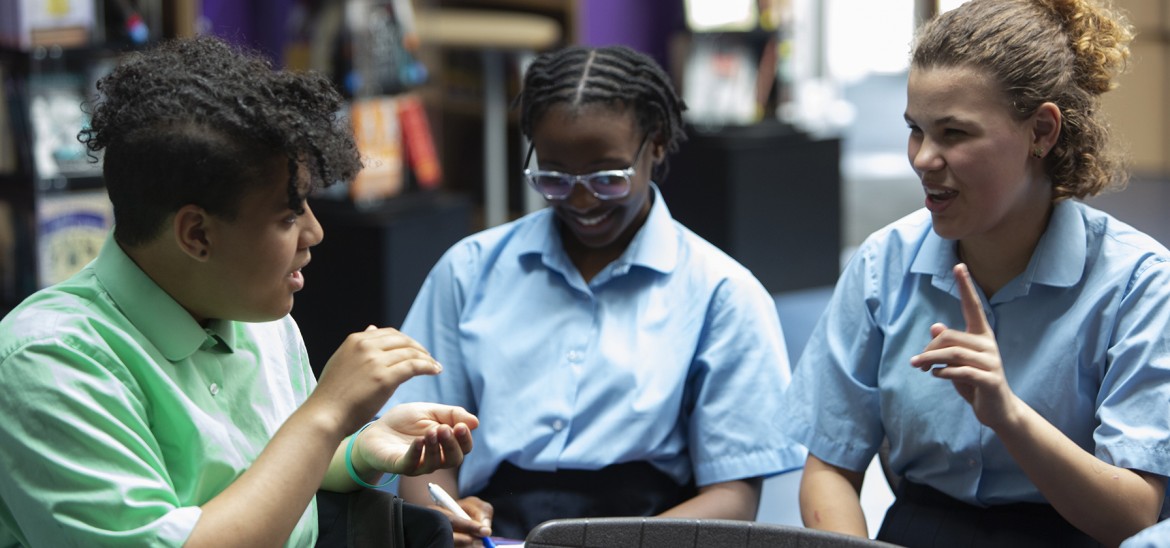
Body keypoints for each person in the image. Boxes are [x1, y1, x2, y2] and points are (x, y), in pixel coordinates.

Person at [0, 36, 478, 547]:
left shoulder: (259, 317)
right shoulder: (49, 362)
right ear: (197, 235)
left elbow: (267, 473)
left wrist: (358, 450)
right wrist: (326, 413)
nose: (314, 233)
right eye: (289, 216)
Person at [780, 0, 1170, 546]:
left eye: (954, 134)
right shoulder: (882, 264)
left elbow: (1134, 516)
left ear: (1042, 131)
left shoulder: (1138, 283)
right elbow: (829, 471)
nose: (922, 158)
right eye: (916, 130)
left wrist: (1008, 415)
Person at [381, 44, 806, 543]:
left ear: (658, 145)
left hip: (653, 535)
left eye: (608, 178)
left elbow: (733, 494)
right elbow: (421, 444)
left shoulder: (723, 295)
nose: (582, 201)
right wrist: (445, 517)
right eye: (554, 179)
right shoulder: (468, 271)